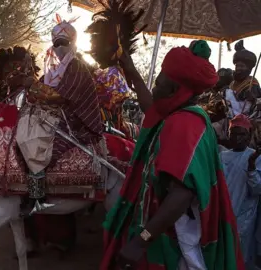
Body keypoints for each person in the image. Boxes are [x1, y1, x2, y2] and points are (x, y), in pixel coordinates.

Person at [100, 42, 244, 269]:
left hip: (178, 238)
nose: (154, 88)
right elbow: (151, 106)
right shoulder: (181, 112)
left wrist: (141, 240)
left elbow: (181, 196)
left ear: (174, 90)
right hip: (166, 230)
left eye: (158, 83)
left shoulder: (184, 124)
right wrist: (131, 69)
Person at [22, 17, 104, 215]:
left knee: (37, 146)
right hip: (56, 118)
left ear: (72, 43)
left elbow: (59, 97)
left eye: (63, 43)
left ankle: (37, 197)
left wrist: (32, 85)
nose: (59, 47)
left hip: (76, 123)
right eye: (55, 43)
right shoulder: (54, 71)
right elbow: (40, 92)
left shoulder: (76, 66)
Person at [220, 114, 261, 268]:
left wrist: (251, 167)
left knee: (240, 257)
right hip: (223, 214)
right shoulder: (221, 156)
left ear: (249, 135)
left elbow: (257, 190)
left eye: (242, 134)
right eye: (234, 133)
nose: (237, 138)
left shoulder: (256, 157)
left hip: (244, 219)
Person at [225, 40, 260, 117]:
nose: (238, 69)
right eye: (237, 66)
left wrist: (252, 98)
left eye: (242, 66)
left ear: (248, 69)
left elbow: (256, 106)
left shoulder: (252, 83)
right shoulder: (232, 83)